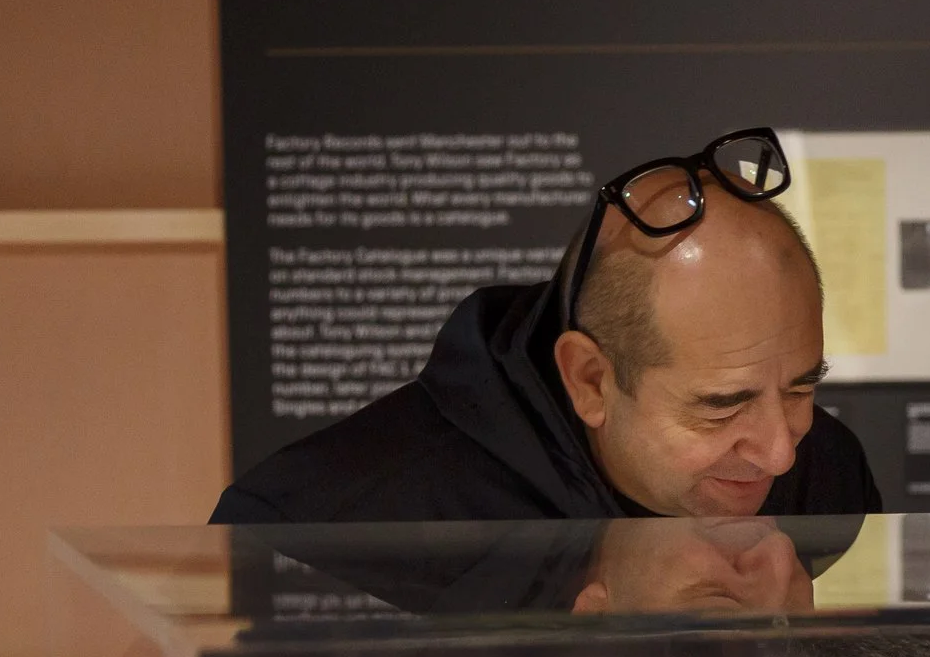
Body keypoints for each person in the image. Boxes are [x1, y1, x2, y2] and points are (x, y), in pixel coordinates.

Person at [213, 128, 881, 523]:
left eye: (800, 388)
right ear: (589, 379)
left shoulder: (829, 472)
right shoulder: (339, 516)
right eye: (722, 404)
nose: (781, 452)